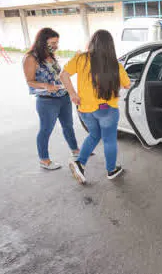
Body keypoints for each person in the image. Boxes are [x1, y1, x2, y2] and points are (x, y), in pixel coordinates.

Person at [60, 30, 131, 184]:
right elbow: (127, 84)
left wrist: (73, 94)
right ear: (110, 46)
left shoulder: (80, 58)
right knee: (109, 140)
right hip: (107, 110)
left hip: (85, 109)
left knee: (94, 135)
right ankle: (111, 170)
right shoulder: (115, 64)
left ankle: (80, 163)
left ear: (93, 42)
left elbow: (63, 75)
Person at [22, 28, 80, 170]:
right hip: (47, 101)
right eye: (53, 42)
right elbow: (30, 81)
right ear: (42, 41)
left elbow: (58, 74)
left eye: (57, 42)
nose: (56, 45)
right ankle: (44, 160)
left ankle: (76, 151)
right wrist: (45, 85)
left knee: (68, 126)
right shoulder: (30, 58)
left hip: (63, 97)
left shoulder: (50, 55)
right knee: (46, 129)